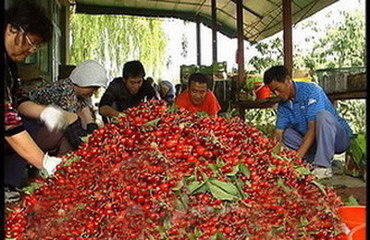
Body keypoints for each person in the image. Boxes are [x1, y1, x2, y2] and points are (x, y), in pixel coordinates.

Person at [4, 1, 62, 202]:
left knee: (29, 123)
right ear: (12, 29)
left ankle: (7, 184)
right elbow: (7, 119)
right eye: (31, 42)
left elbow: (17, 100)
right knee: (15, 128)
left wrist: (44, 112)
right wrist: (43, 162)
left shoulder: (9, 64)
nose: (32, 50)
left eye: (36, 46)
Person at [263, 65, 352, 179]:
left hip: (337, 140)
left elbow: (312, 128)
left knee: (323, 116)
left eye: (277, 89)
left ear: (287, 80)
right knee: (287, 134)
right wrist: (272, 158)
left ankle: (323, 166)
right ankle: (312, 162)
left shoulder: (311, 91)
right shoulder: (283, 106)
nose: (276, 94)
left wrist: (295, 159)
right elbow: (278, 133)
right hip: (315, 144)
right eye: (272, 91)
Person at [27, 59, 109, 150]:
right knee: (72, 123)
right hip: (31, 129)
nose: (93, 93)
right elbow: (76, 136)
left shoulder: (81, 94)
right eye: (92, 88)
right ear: (83, 81)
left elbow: (88, 120)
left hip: (45, 127)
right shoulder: (66, 90)